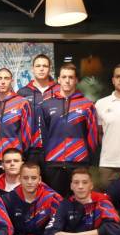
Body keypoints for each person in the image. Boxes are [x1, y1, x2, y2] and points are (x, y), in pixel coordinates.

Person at [39, 63, 99, 197]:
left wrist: (89, 159)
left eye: (71, 77)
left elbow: (93, 135)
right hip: (53, 162)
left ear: (76, 80)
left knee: (79, 200)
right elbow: (43, 134)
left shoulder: (87, 105)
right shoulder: (47, 104)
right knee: (55, 200)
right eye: (64, 77)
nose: (67, 80)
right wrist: (46, 156)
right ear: (58, 79)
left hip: (79, 161)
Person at [2, 162, 62, 235]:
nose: (29, 182)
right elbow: (0, 225)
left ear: (39, 179)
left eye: (33, 178)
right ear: (19, 179)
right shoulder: (8, 198)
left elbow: (60, 223)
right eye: (25, 178)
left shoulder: (51, 198)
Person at [0, 68, 32, 179]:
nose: (3, 82)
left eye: (6, 78)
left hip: (13, 160)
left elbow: (27, 133)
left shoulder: (21, 102)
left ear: (11, 81)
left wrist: (21, 155)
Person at [17, 53, 59, 171]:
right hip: (30, 149)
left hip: (54, 148)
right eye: (38, 66)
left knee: (52, 182)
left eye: (45, 66)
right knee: (30, 181)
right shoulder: (22, 93)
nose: (41, 69)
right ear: (33, 69)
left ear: (50, 69)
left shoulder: (59, 90)